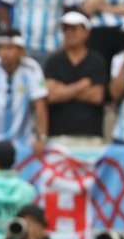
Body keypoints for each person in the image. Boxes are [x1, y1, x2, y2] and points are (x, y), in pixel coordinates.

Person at [0, 31, 50, 154]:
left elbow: (40, 107)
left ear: (21, 50)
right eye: (1, 48)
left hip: (24, 142)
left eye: (10, 48)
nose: (5, 52)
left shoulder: (32, 69)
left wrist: (42, 139)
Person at [44, 10, 107, 147]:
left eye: (73, 29)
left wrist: (64, 90)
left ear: (86, 32)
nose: (69, 33)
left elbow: (97, 96)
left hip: (90, 134)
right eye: (65, 29)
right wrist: (82, 85)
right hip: (59, 134)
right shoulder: (54, 61)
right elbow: (52, 95)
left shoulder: (96, 61)